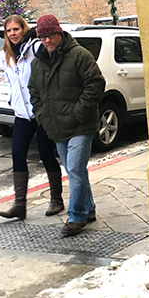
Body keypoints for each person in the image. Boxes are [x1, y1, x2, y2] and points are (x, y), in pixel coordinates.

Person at [29, 14, 105, 236]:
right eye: (43, 37)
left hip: (81, 124)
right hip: (57, 126)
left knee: (74, 168)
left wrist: (77, 113)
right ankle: (88, 209)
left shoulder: (79, 55)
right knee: (75, 170)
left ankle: (76, 216)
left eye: (51, 35)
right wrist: (42, 115)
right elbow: (34, 92)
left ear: (59, 33)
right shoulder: (37, 63)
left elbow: (96, 84)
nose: (47, 41)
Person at [0, 14, 64, 220]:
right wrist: (12, 100)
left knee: (46, 153)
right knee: (17, 154)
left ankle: (56, 199)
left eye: (16, 29)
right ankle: (19, 204)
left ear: (23, 29)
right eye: (9, 31)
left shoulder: (34, 48)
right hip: (21, 113)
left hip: (40, 111)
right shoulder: (4, 54)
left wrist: (34, 35)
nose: (13, 34)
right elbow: (10, 82)